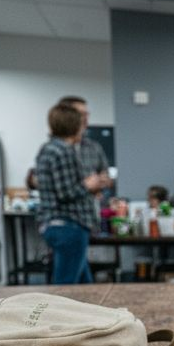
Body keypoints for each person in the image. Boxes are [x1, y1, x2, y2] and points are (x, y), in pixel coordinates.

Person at [35, 102, 112, 284]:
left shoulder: (48, 149)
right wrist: (89, 184)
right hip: (69, 226)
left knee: (85, 284)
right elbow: (66, 192)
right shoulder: (64, 151)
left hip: (60, 225)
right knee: (66, 286)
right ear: (74, 125)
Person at [59, 95, 111, 198]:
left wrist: (103, 182)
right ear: (65, 116)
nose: (86, 119)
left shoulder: (94, 147)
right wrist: (86, 185)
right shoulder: (55, 149)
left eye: (87, 114)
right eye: (81, 114)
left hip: (89, 210)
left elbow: (106, 178)